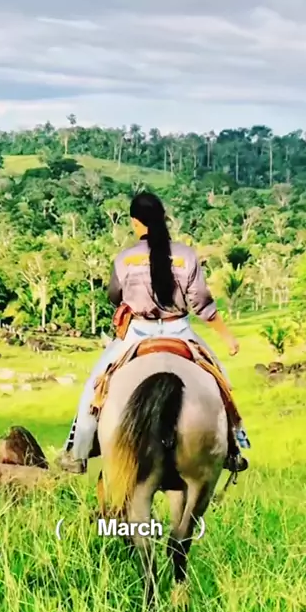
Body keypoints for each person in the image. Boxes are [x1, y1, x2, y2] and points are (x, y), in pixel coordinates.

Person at [56, 191, 250, 474]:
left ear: (135, 222)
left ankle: (78, 452)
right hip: (180, 331)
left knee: (94, 387)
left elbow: (114, 296)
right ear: (162, 219)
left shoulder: (125, 259)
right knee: (221, 381)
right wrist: (227, 337)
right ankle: (234, 446)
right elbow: (202, 303)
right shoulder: (185, 255)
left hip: (137, 332)